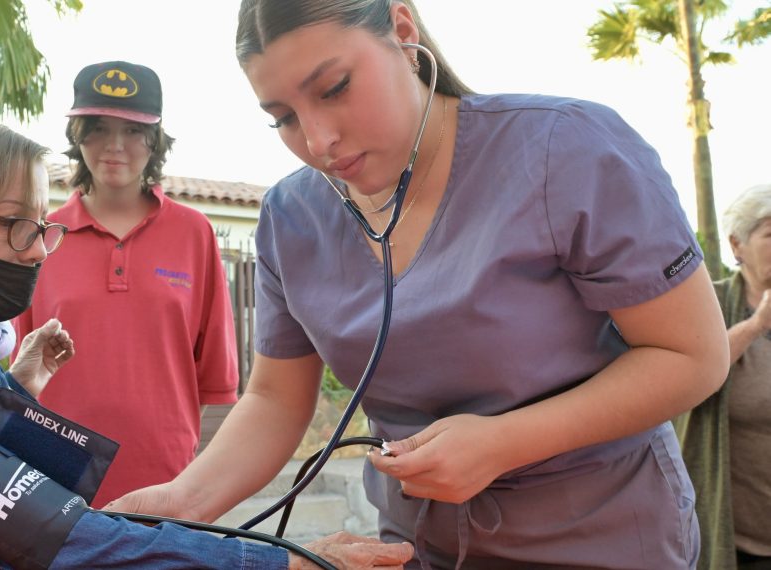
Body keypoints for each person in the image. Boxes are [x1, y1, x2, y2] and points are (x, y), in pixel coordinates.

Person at [107, 1, 732, 568]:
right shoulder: (289, 218)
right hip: (413, 548)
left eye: (335, 88)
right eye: (283, 119)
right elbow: (275, 400)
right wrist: (184, 502)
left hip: (603, 538)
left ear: (403, 31)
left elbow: (692, 356)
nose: (319, 141)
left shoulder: (567, 149)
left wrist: (505, 442)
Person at [0, 114, 413, 569]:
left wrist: (14, 392)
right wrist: (279, 563)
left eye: (39, 227)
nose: (34, 252)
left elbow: (7, 493)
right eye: (13, 226)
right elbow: (33, 531)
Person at [12, 60, 240, 508]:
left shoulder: (194, 233)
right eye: (98, 128)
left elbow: (213, 376)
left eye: (133, 130)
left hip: (166, 483)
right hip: (55, 479)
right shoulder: (44, 238)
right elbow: (24, 373)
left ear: (155, 139)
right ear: (78, 136)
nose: (115, 145)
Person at [675, 184, 771, 570]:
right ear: (736, 245)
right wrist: (756, 324)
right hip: (743, 545)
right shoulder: (709, 306)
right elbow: (688, 377)